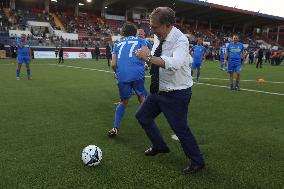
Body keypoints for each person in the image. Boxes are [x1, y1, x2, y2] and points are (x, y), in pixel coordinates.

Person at [135, 7, 205, 175]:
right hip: (159, 89)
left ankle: (198, 161)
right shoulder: (158, 35)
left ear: (167, 25)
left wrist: (149, 58)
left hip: (177, 93)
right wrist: (148, 62)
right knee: (142, 116)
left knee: (180, 129)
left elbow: (175, 63)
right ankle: (160, 146)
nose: (152, 30)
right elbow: (156, 53)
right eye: (151, 26)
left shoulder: (181, 40)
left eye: (155, 27)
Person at [107, 23, 148, 137]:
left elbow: (113, 64)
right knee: (141, 97)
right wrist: (145, 65)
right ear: (135, 32)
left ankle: (115, 128)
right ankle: (148, 121)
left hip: (123, 74)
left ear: (123, 33)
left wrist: (117, 73)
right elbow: (146, 56)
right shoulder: (141, 40)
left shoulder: (117, 44)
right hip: (138, 73)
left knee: (123, 101)